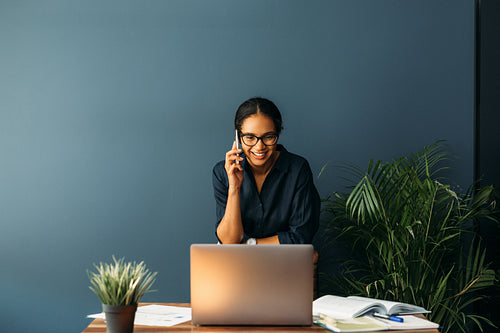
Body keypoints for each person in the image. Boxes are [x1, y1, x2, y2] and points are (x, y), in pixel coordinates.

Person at [212, 97, 320, 244]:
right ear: (237, 136)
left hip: (283, 261)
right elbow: (229, 241)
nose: (259, 147)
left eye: (269, 137)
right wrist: (234, 188)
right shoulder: (222, 172)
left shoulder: (297, 169)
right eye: (249, 137)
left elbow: (300, 236)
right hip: (238, 263)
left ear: (278, 134)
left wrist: (249, 246)